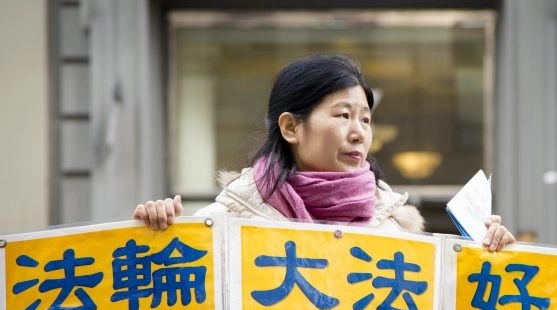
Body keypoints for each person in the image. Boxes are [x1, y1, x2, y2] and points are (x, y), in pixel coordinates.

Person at [133, 53, 515, 251]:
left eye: (365, 120)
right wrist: (156, 237)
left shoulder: (396, 229)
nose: (359, 133)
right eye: (343, 115)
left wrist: (490, 261)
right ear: (290, 127)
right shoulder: (227, 218)